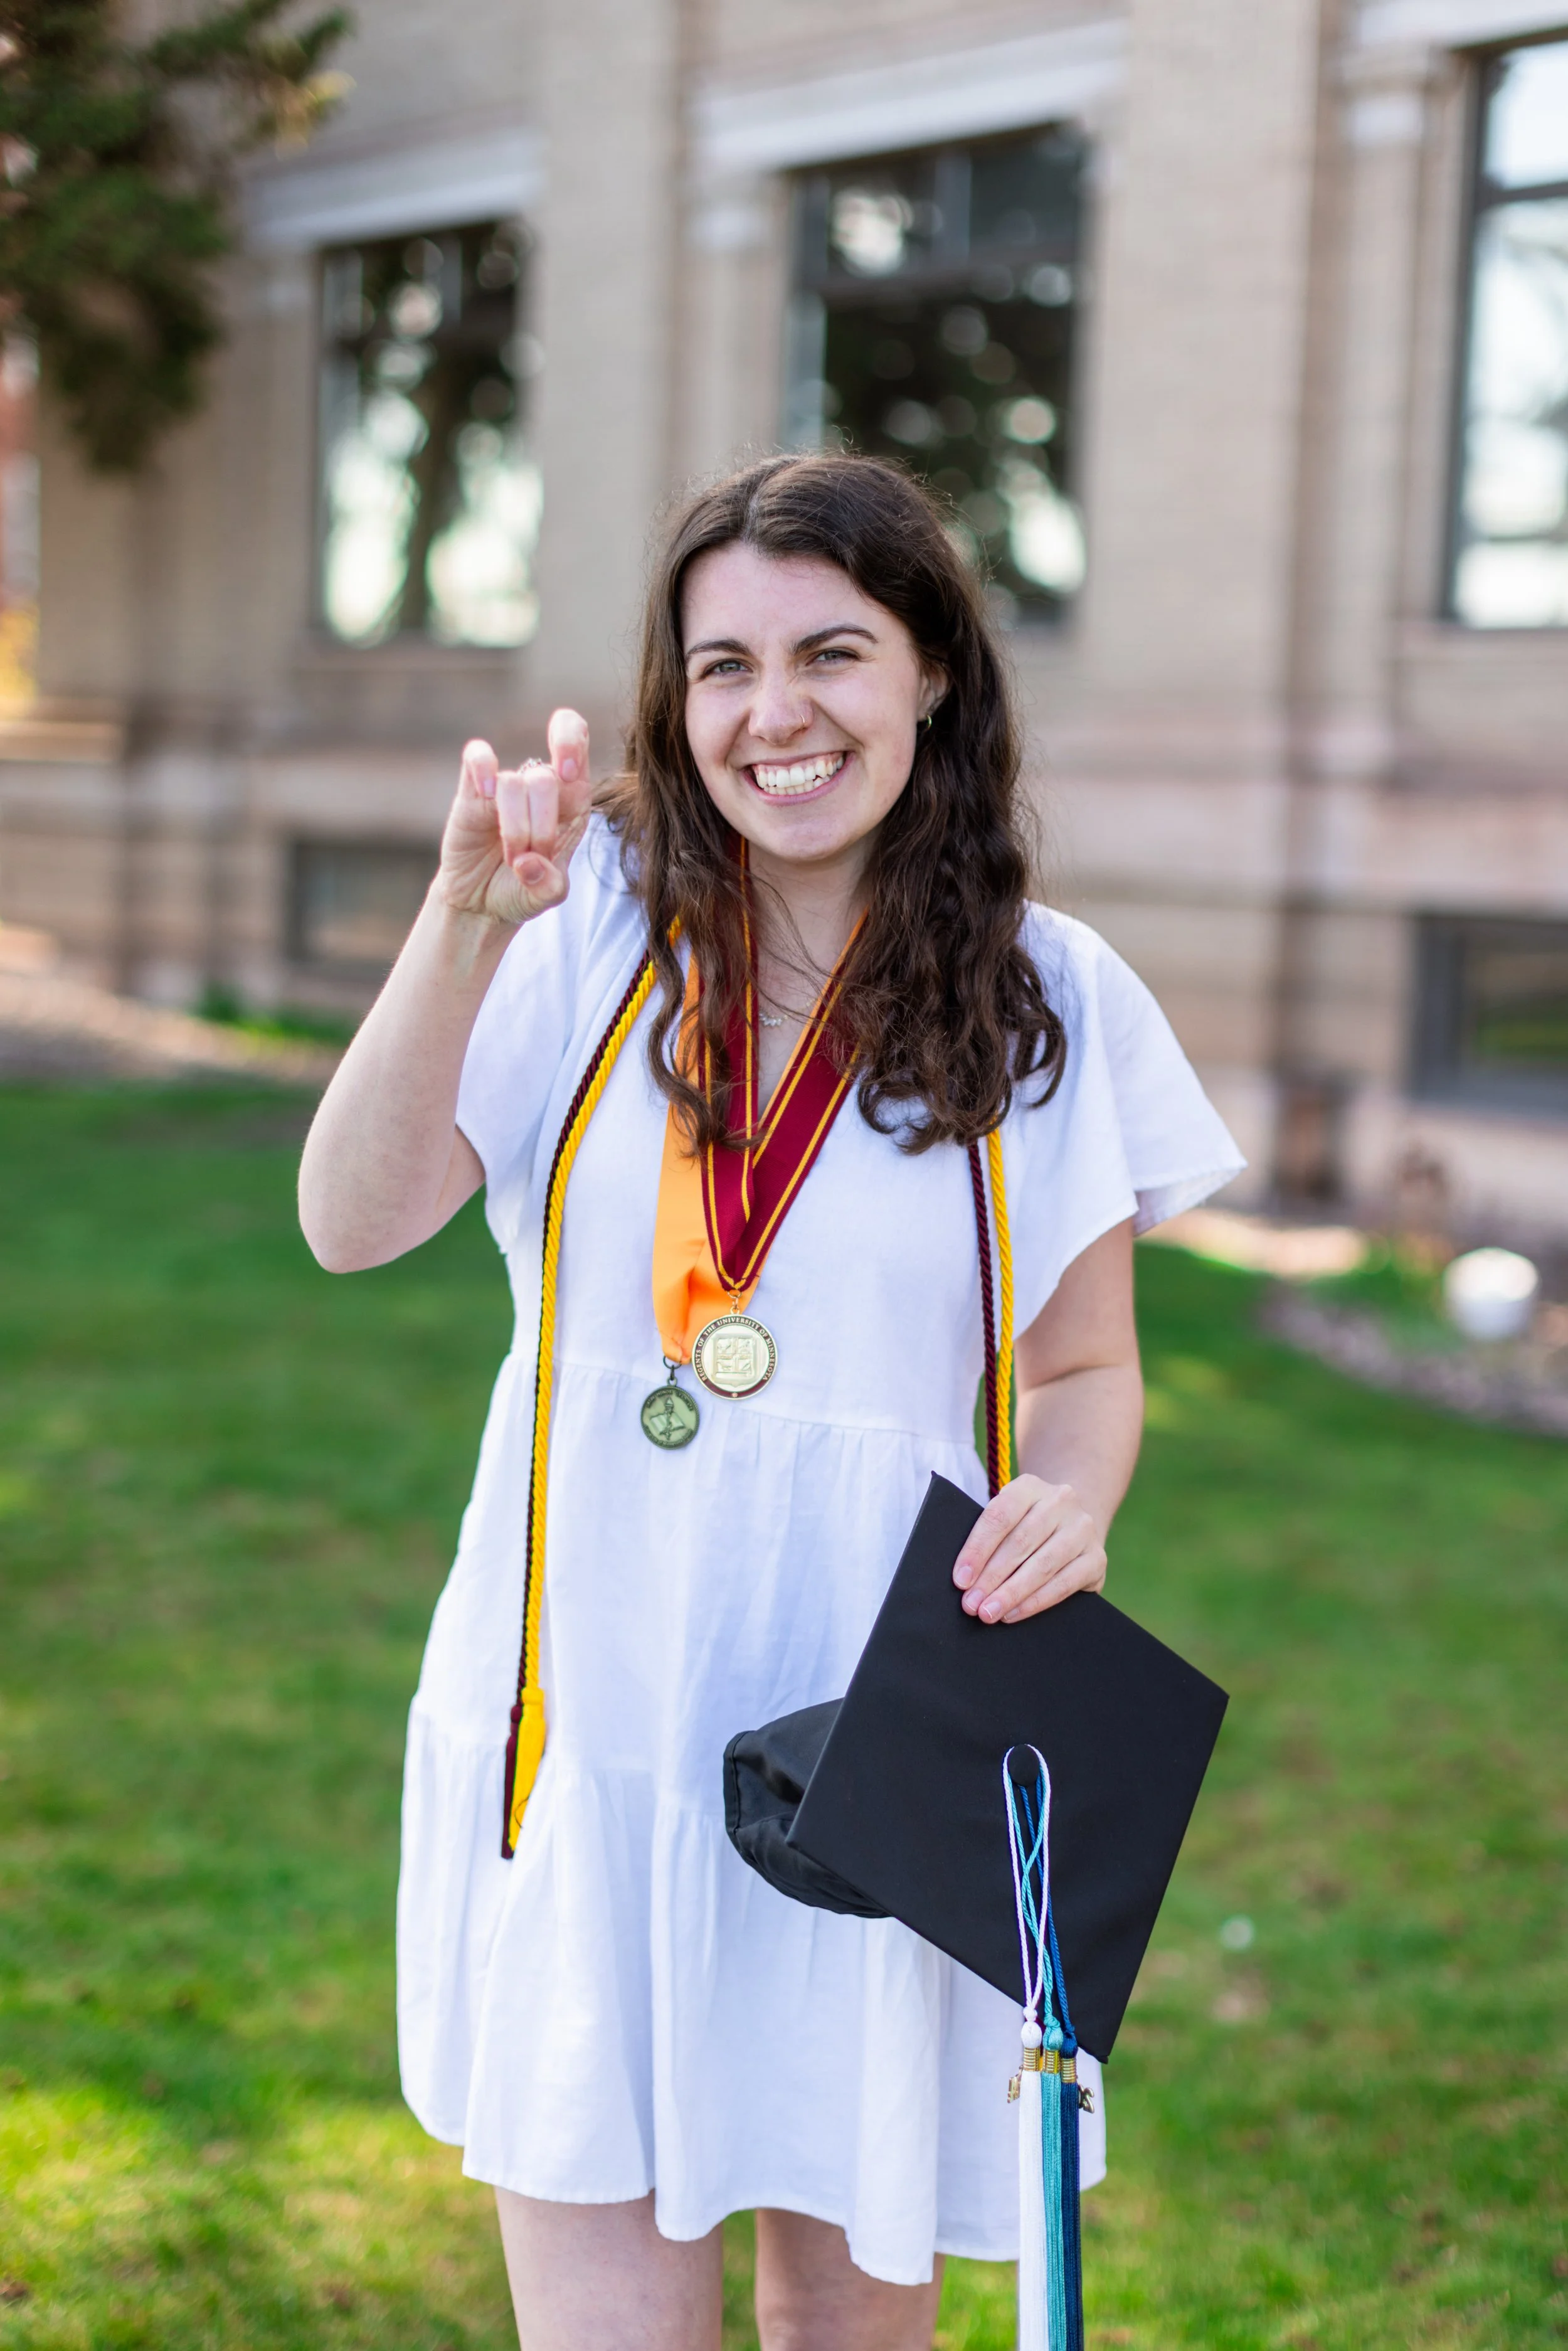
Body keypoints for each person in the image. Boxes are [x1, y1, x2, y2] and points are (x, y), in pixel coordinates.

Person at [298, 453, 1243, 2351]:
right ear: (676, 700)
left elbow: (1078, 1369)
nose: (773, 711)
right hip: (588, 1723)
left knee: (848, 2326)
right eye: (721, 666)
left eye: (831, 651)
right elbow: (348, 1217)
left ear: (932, 681)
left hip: (863, 1746)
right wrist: (463, 918)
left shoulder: (1048, 1000)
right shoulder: (578, 932)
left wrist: (1075, 1490)